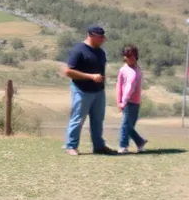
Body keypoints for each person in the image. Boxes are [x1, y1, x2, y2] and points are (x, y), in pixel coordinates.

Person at [63, 26, 117, 155]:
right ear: (91, 36)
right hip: (81, 90)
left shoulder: (101, 52)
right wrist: (91, 77)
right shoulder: (78, 50)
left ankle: (99, 146)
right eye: (100, 37)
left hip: (99, 91)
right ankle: (71, 146)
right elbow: (68, 71)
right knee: (78, 119)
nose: (103, 39)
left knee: (98, 120)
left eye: (103, 37)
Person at [116, 44, 148, 154]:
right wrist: (120, 101)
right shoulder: (124, 69)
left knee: (129, 125)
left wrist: (123, 101)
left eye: (130, 56)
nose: (127, 58)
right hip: (128, 102)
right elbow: (120, 85)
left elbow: (130, 88)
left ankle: (136, 143)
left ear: (135, 56)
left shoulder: (136, 70)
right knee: (126, 125)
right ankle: (126, 145)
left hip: (134, 101)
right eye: (126, 55)